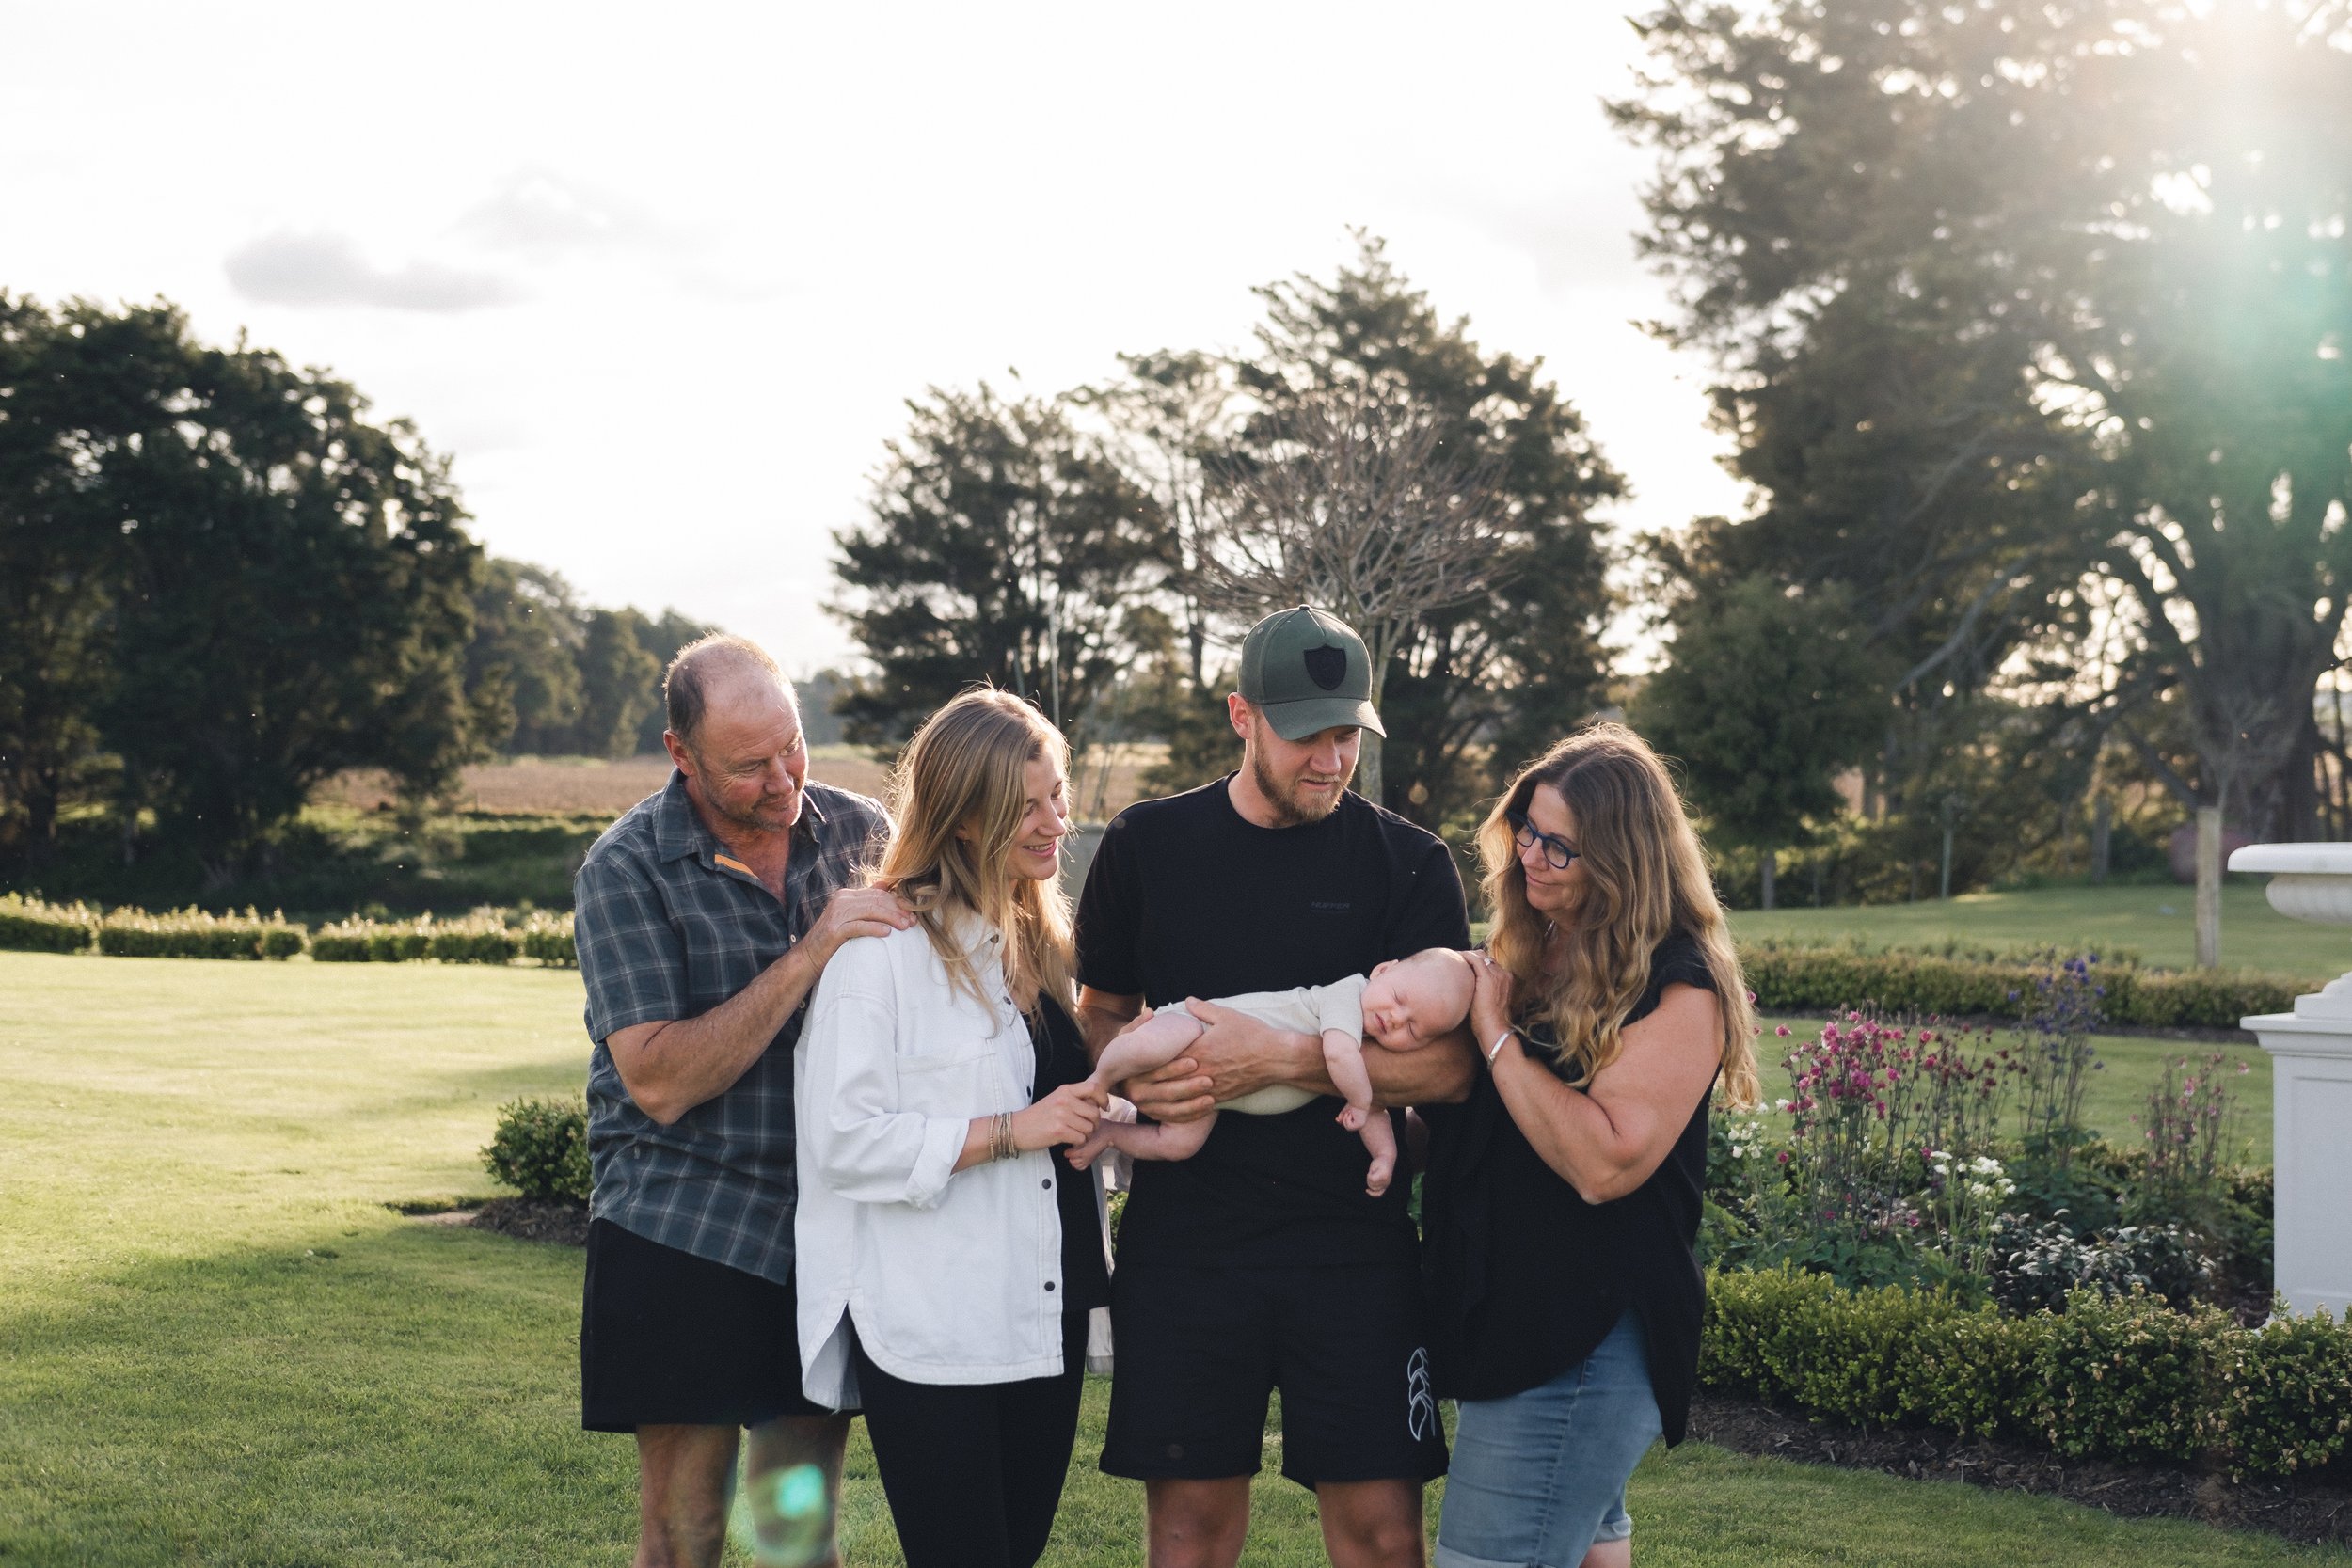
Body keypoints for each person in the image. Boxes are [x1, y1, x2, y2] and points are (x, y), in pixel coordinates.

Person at [1074, 605, 1477, 1568]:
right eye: (1308, 735)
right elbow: (1100, 1014)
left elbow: (1451, 1067)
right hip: (1188, 1244)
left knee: (1383, 1535)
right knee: (1189, 1536)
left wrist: (1281, 1058)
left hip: (1354, 1244)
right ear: (1241, 715)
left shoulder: (1409, 863)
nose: (1332, 760)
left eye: (1348, 735)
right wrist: (1140, 1091)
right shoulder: (1146, 845)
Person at [572, 635, 912, 1568]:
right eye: (747, 764)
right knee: (685, 1535)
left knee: (799, 1533)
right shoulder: (626, 868)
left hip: (825, 1229)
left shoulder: (861, 833)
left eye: (792, 746)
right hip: (683, 1221)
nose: (781, 779)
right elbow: (660, 1079)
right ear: (682, 754)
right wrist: (812, 951)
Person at [1418, 723, 1760, 1568]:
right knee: (1592, 1545)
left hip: (1581, 1338)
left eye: (1559, 846)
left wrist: (1494, 1035)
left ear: (1623, 861)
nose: (1531, 856)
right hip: (1521, 1315)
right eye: (1526, 830)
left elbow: (1606, 1162)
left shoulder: (1680, 985)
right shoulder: (1543, 949)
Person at [794, 688, 1113, 1568]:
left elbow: (1061, 1120)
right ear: (965, 819)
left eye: (1060, 795)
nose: (1057, 823)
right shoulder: (880, 955)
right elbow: (846, 1141)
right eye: (1030, 805)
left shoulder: (1042, 944)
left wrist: (1110, 1119)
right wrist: (1017, 1128)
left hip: (1046, 1311)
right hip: (936, 1329)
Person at [1065, 946, 1479, 1196]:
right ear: (1384, 970)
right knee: (1150, 1044)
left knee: (1179, 1143)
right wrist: (1359, 1099)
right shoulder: (1348, 996)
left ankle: (1109, 1134)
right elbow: (1340, 1062)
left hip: (1211, 1095)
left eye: (1413, 1027)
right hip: (1198, 1026)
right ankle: (1098, 1082)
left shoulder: (1367, 1048)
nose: (1394, 1017)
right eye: (1399, 998)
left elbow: (1372, 1099)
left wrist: (1385, 1154)